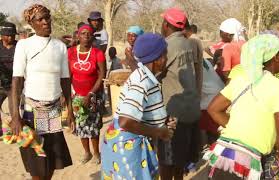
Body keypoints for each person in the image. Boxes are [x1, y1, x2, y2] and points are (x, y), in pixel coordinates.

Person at [204, 34, 279, 179]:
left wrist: (237, 128)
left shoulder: (241, 79)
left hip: (221, 154)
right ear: (276, 57)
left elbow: (213, 109)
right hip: (246, 163)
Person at [10, 4, 75, 180]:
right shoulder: (24, 45)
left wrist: (70, 111)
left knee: (52, 160)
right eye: (40, 19)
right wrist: (15, 115)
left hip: (53, 111)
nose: (46, 22)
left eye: (47, 17)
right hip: (31, 111)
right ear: (31, 23)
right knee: (36, 163)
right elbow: (16, 81)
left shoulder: (60, 46)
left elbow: (65, 80)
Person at [101, 33, 177, 179]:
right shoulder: (141, 82)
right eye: (165, 55)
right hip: (128, 147)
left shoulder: (147, 77)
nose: (167, 59)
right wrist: (159, 132)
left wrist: (163, 120)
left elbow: (143, 110)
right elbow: (126, 121)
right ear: (158, 59)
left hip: (134, 143)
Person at [157, 8, 201, 180]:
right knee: (179, 161)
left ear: (166, 25)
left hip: (174, 112)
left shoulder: (166, 46)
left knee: (166, 161)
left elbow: (154, 74)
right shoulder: (189, 43)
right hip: (191, 108)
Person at [67, 24, 106, 164]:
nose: (86, 36)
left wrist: (90, 94)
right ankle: (87, 152)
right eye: (83, 33)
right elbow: (68, 75)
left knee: (93, 127)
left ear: (92, 37)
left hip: (93, 95)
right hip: (76, 95)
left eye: (88, 34)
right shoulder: (70, 52)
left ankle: (96, 153)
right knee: (81, 125)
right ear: (78, 36)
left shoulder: (98, 53)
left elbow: (102, 74)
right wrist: (68, 94)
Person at [0, 21, 17, 129]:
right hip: (1, 83)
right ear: (2, 35)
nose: (11, 37)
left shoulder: (19, 46)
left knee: (14, 108)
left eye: (13, 35)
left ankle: (16, 128)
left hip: (14, 85)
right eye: (8, 35)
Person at [184, 23, 203, 95]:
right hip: (199, 72)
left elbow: (194, 60)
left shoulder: (192, 40)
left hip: (195, 73)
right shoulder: (197, 38)